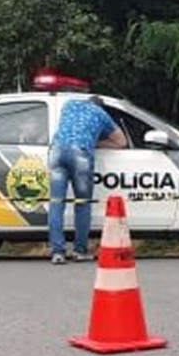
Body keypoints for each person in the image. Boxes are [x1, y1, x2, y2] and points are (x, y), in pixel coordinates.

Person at [47, 95, 128, 264]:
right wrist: (96, 143)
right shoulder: (101, 114)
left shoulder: (69, 104)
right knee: (82, 204)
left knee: (56, 203)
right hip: (80, 155)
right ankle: (79, 250)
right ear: (101, 106)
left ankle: (57, 252)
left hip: (56, 152)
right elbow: (122, 142)